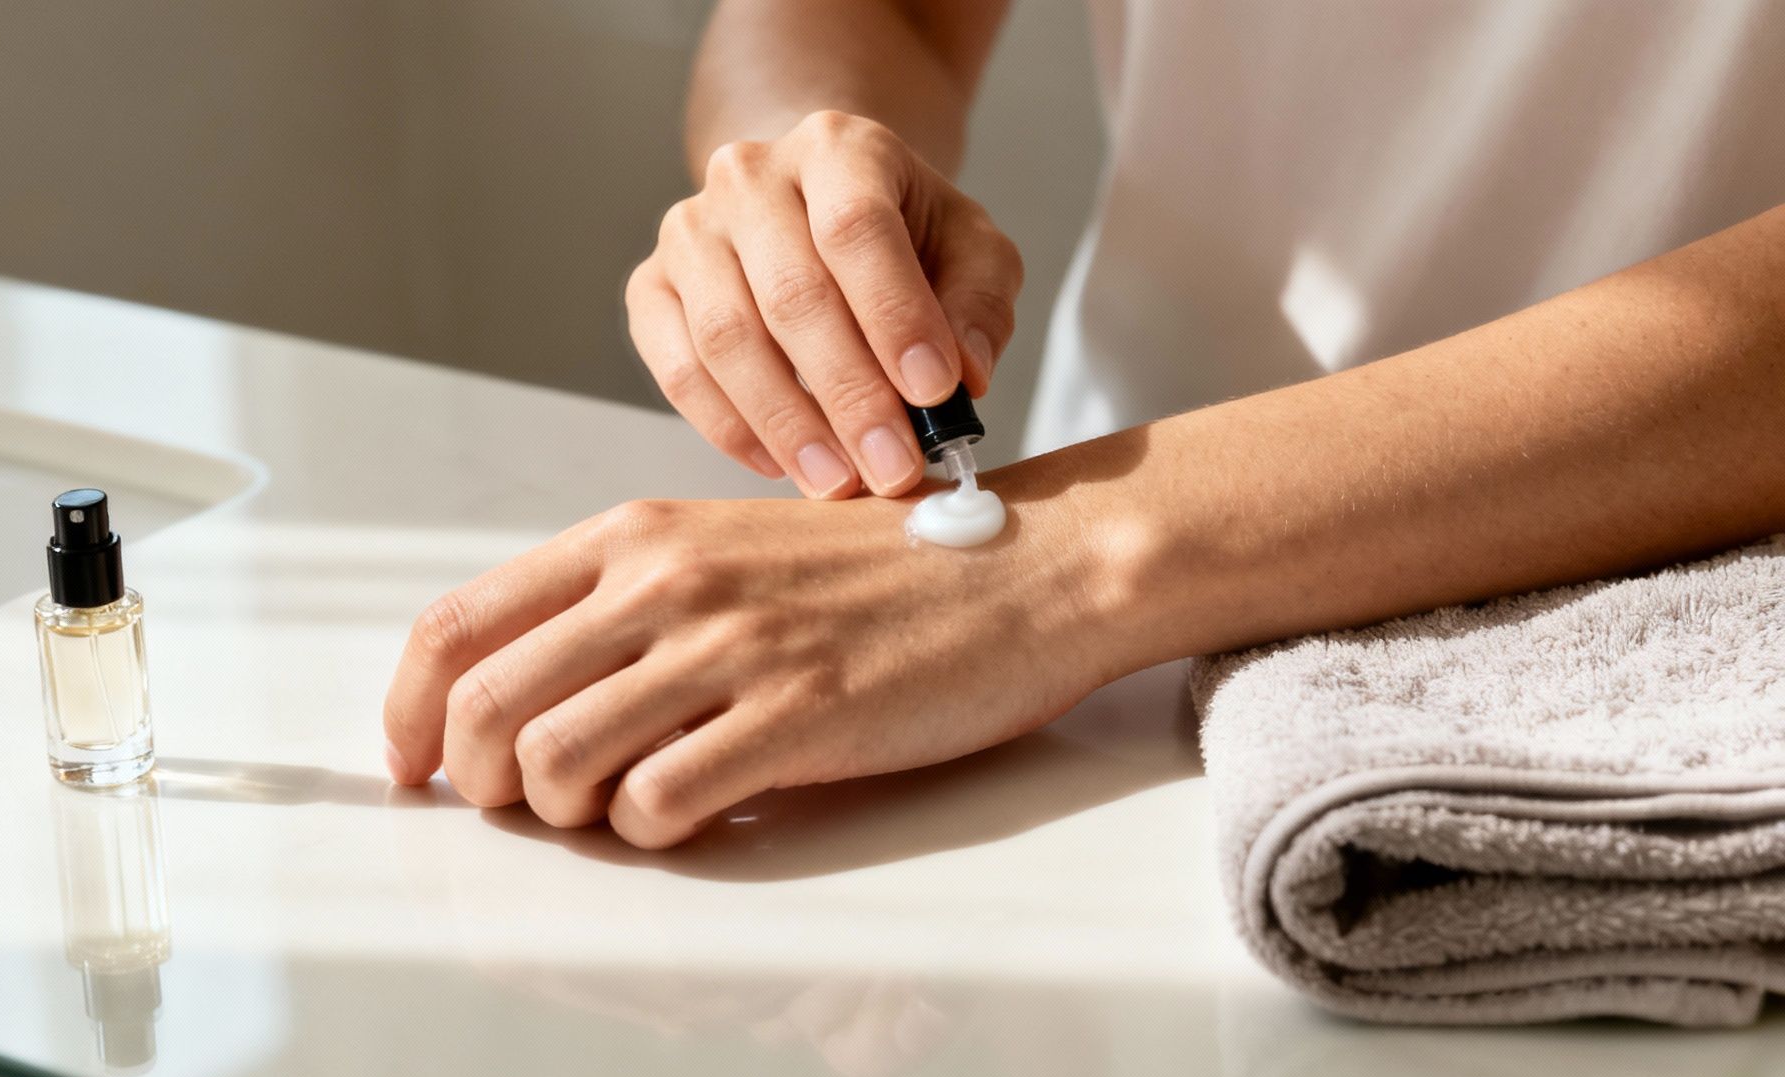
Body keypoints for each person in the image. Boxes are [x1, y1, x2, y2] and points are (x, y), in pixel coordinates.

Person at [383, 0, 1785, 848]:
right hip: (1095, 655)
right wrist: (817, 174)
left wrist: (1067, 561)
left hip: (1673, 657)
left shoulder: (1061, 570)